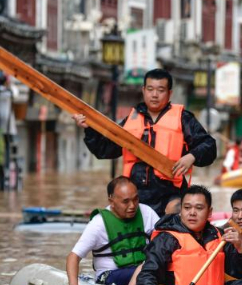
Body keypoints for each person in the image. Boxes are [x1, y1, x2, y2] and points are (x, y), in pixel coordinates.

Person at [73, 69, 217, 215]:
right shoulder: (131, 120)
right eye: (150, 89)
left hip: (170, 195)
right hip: (135, 197)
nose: (154, 95)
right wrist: (89, 129)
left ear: (169, 93)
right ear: (143, 90)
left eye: (160, 90)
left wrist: (192, 156)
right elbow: (104, 150)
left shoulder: (183, 119)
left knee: (176, 210)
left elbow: (209, 146)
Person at [63, 177, 160, 285]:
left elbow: (163, 240)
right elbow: (73, 257)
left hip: (140, 270)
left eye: (135, 199)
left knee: (154, 269)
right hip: (110, 276)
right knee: (147, 271)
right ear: (111, 201)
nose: (132, 206)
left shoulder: (146, 212)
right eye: (125, 201)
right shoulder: (98, 224)